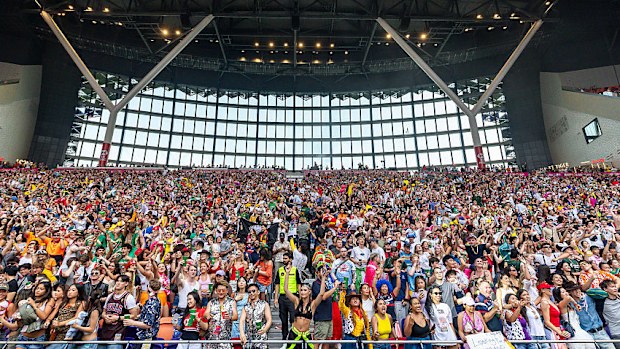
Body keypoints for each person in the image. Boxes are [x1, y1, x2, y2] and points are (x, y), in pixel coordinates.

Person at [283, 267, 326, 349]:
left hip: (306, 335)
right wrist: (287, 274)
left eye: (305, 290)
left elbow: (321, 294)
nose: (302, 292)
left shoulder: (313, 304)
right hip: (294, 334)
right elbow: (286, 290)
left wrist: (323, 278)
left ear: (309, 292)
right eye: (301, 290)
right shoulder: (296, 301)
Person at [564, 282, 613, 349]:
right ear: (569, 292)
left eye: (578, 288)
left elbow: (604, 293)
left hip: (600, 331)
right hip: (587, 334)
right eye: (574, 290)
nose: (577, 291)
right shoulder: (570, 304)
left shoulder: (589, 296)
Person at [99, 274, 140, 349]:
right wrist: (105, 316)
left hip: (118, 332)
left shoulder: (128, 297)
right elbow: (103, 312)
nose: (118, 283)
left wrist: (118, 318)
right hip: (105, 331)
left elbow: (133, 315)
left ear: (126, 284)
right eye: (117, 281)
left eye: (121, 281)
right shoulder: (110, 296)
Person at [274, 252, 302, 345]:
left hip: (293, 297)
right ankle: (284, 339)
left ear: (290, 259)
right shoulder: (280, 270)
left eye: (286, 258)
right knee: (283, 319)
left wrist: (300, 297)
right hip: (282, 297)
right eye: (283, 258)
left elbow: (299, 283)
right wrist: (275, 298)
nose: (284, 260)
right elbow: (277, 285)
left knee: (293, 318)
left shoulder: (295, 270)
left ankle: (293, 338)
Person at [123, 280, 162, 348]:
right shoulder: (155, 300)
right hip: (144, 336)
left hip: (146, 337)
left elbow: (148, 324)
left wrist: (132, 323)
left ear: (148, 288)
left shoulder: (152, 303)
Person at [16, 281, 54, 349]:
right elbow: (20, 325)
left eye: (41, 289)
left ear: (47, 291)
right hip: (23, 337)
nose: (38, 290)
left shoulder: (49, 300)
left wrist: (33, 305)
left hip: (37, 338)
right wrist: (18, 320)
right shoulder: (29, 300)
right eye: (37, 288)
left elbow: (43, 316)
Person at [204, 282, 238, 349]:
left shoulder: (231, 302)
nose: (221, 292)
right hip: (212, 338)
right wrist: (207, 315)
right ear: (216, 291)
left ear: (227, 291)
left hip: (225, 338)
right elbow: (206, 313)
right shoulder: (211, 302)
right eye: (219, 290)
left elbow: (236, 316)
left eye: (223, 290)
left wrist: (230, 317)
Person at [239, 283, 272, 349]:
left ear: (258, 292)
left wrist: (265, 329)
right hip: (249, 338)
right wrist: (242, 334)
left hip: (261, 338)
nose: (251, 293)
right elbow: (241, 321)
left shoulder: (264, 304)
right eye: (249, 292)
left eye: (253, 291)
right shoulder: (246, 307)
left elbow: (269, 319)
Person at [425, 285, 458, 349]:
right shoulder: (427, 307)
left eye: (440, 293)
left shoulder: (446, 306)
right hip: (437, 337)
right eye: (436, 293)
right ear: (430, 295)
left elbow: (450, 323)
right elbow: (428, 323)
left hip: (449, 335)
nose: (438, 295)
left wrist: (455, 339)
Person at [601, 279, 620, 349]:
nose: (615, 288)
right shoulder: (601, 302)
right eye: (612, 287)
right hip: (615, 332)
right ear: (605, 289)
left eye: (615, 286)